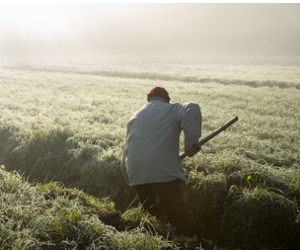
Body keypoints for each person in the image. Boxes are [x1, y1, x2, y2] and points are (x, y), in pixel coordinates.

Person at [121, 86, 202, 236]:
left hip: (135, 169)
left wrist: (134, 180)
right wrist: (191, 144)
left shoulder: (135, 116)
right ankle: (186, 241)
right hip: (163, 170)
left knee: (149, 216)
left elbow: (125, 152)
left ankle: (151, 242)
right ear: (166, 100)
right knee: (177, 214)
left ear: (149, 99)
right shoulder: (173, 109)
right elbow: (193, 107)